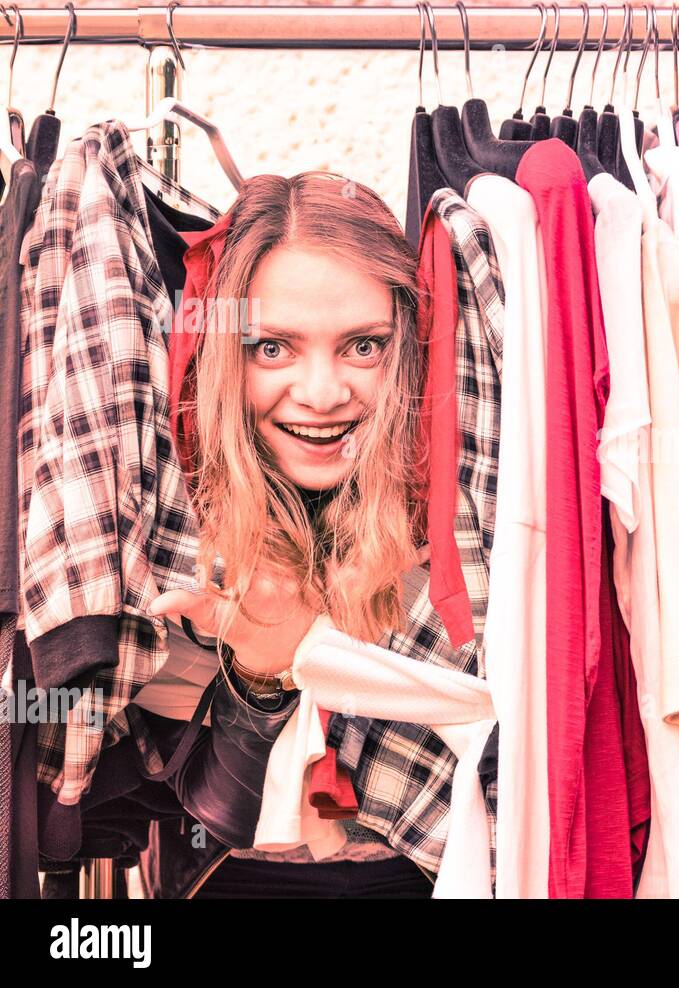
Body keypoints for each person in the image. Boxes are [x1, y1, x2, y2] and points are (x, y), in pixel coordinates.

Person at [143, 171, 437, 898]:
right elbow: (216, 813)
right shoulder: (176, 514)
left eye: (363, 347)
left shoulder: (462, 520)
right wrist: (258, 677)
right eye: (273, 348)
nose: (322, 393)